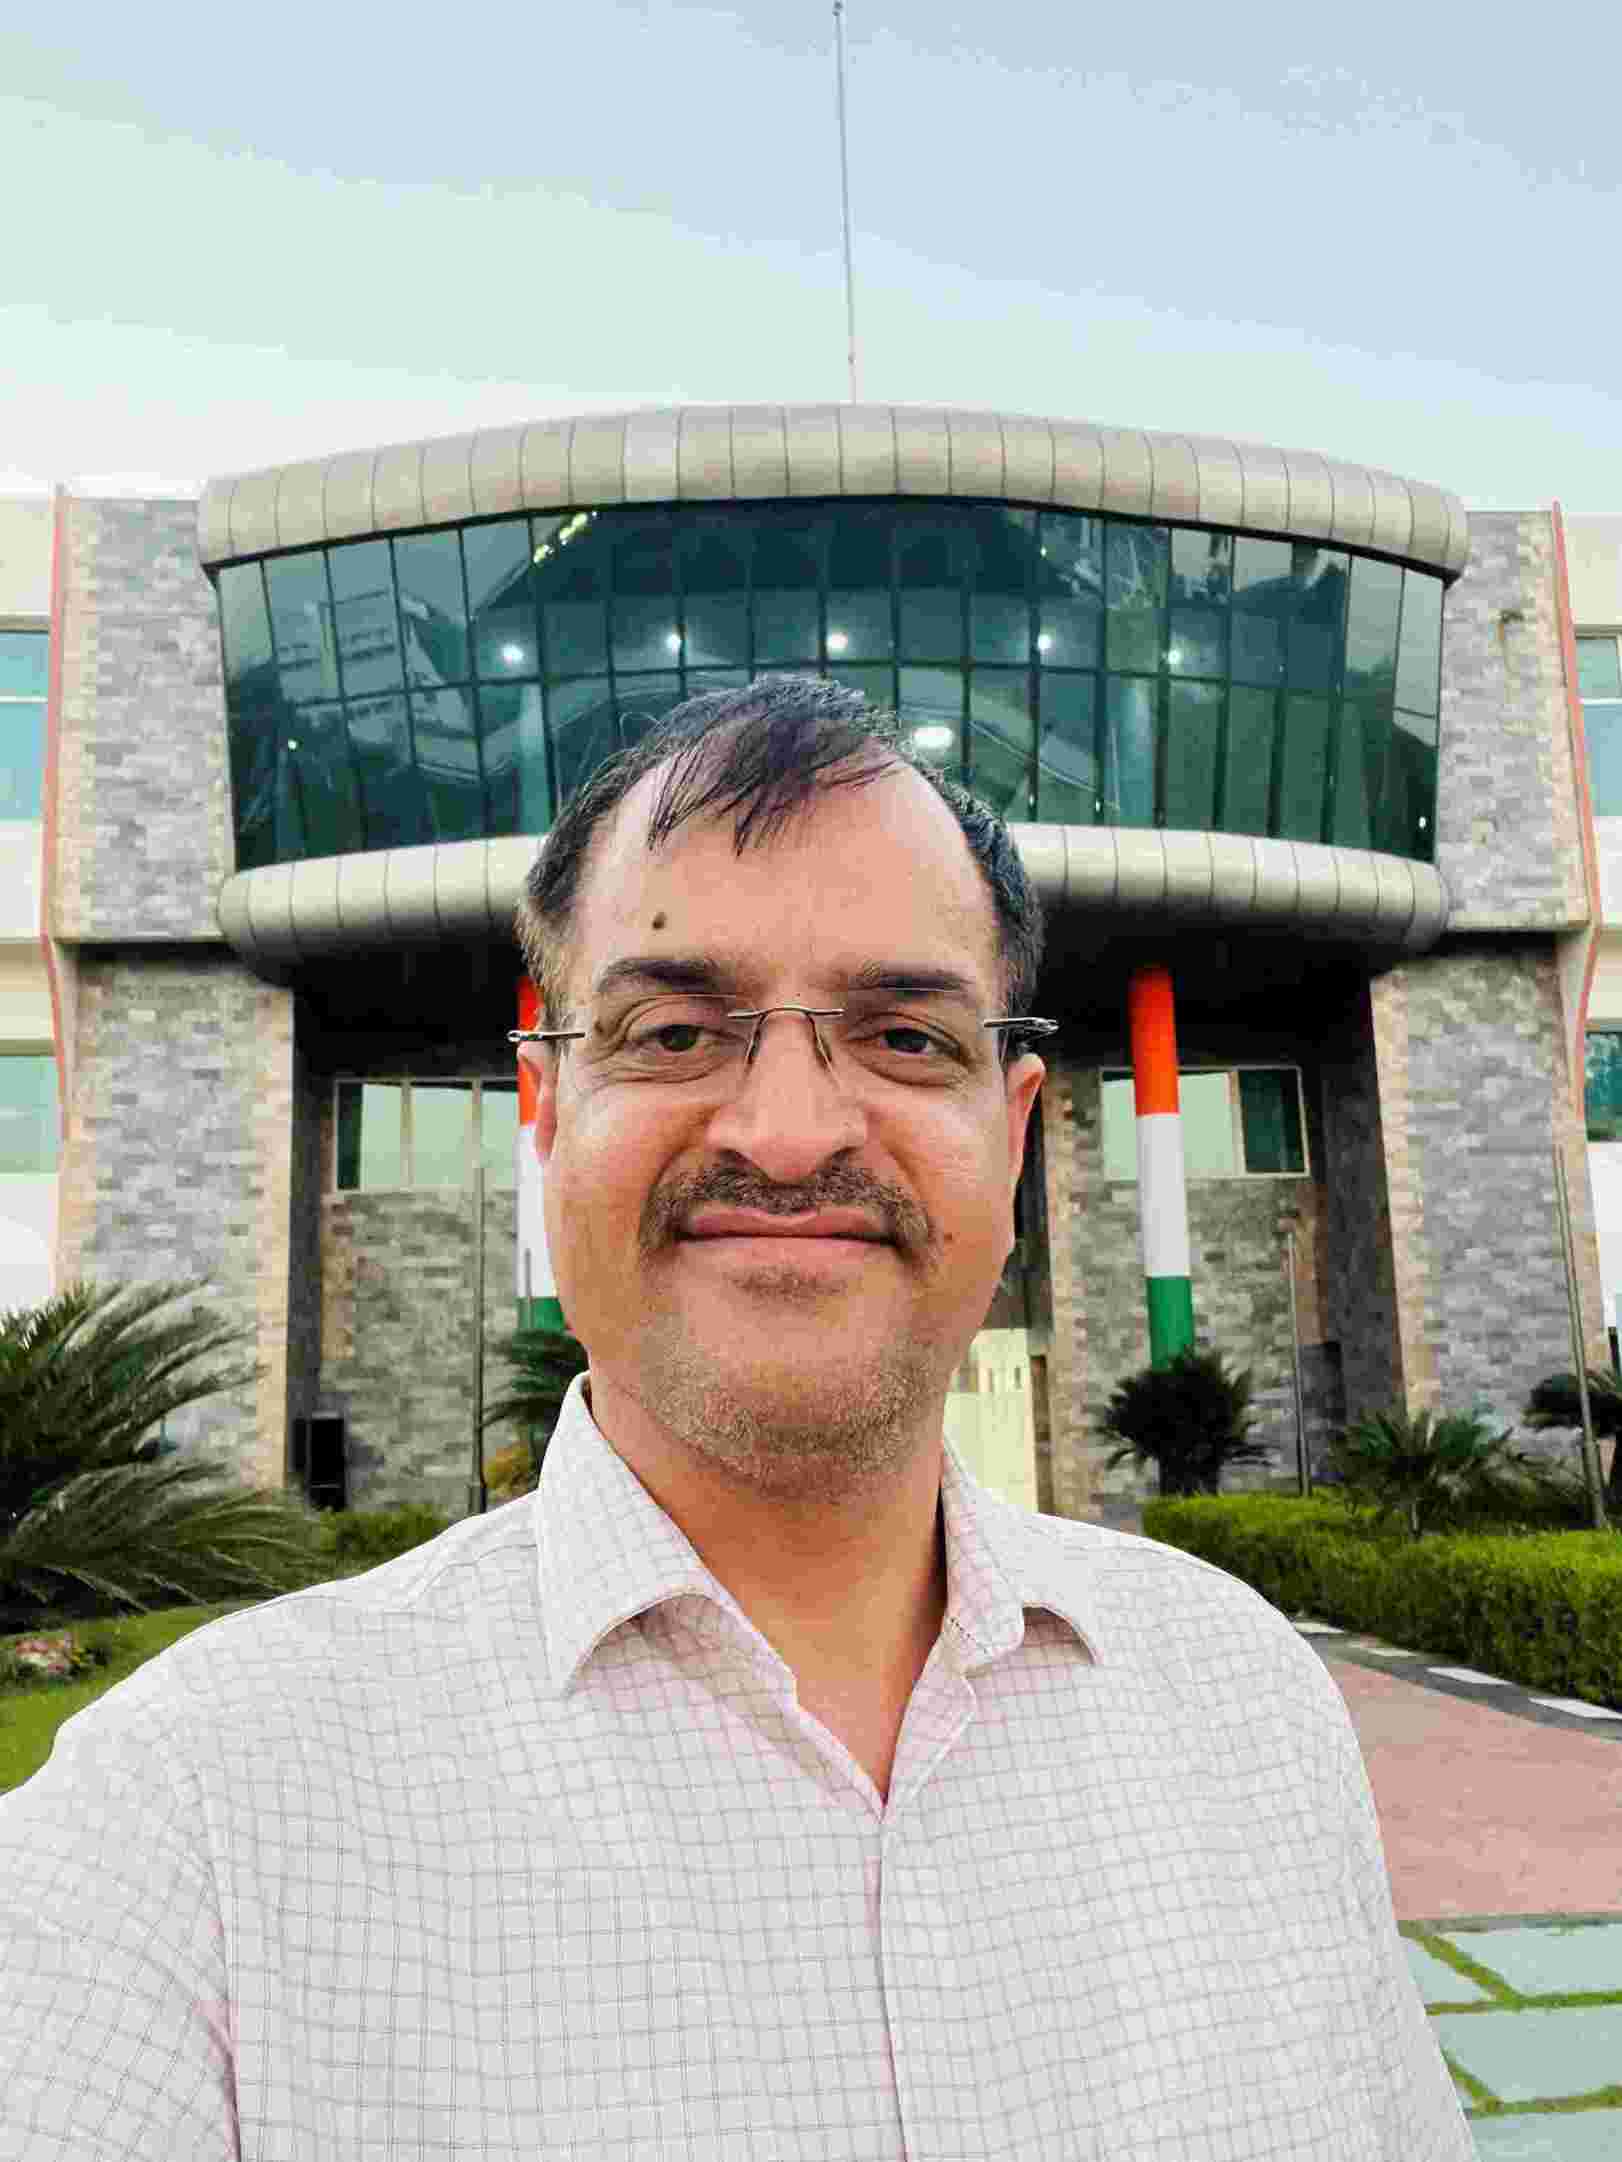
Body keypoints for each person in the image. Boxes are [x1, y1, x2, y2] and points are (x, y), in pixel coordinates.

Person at [0, 675, 1472, 2158]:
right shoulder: (189, 1827)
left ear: (1013, 1132)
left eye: (904, 1038)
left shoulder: (1250, 1709)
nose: (787, 1131)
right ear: (544, 1112)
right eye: (673, 1032)